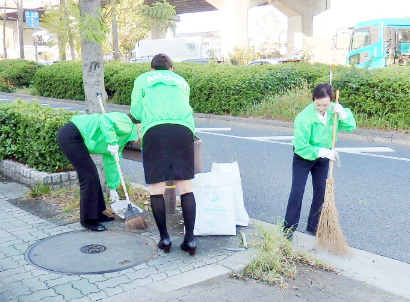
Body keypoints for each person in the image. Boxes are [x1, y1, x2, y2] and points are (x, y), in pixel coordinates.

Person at [129, 53, 197, 256]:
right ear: (171, 69)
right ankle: (190, 240)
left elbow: (137, 111)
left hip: (155, 132)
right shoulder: (181, 80)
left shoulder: (143, 79)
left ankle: (165, 239)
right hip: (183, 130)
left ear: (152, 69)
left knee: (156, 189)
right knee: (185, 188)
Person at [283, 83, 356, 239]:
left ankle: (314, 225)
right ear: (313, 100)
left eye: (325, 105)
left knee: (321, 192)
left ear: (330, 100)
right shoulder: (304, 117)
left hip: (323, 157)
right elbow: (301, 146)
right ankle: (288, 228)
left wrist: (343, 113)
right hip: (304, 157)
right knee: (297, 191)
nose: (322, 108)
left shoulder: (333, 111)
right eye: (318, 105)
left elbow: (350, 127)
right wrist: (320, 151)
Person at [57, 111, 138, 231]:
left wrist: (113, 188)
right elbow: (105, 120)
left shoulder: (122, 140)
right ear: (140, 126)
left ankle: (97, 213)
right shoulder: (126, 123)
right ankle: (87, 220)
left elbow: (112, 163)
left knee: (93, 176)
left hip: (77, 138)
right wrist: (112, 141)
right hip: (71, 135)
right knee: (89, 176)